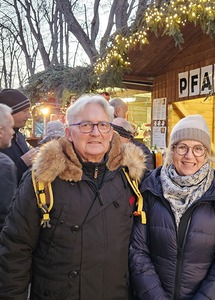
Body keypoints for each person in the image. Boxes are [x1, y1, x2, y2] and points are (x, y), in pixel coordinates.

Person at [0, 94, 146, 300]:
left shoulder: (129, 175)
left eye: (103, 125)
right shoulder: (42, 179)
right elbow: (15, 251)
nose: (96, 133)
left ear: (111, 131)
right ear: (68, 133)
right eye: (86, 125)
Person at [129, 114, 215, 299]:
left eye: (198, 148)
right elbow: (138, 251)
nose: (189, 156)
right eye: (182, 147)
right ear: (171, 150)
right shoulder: (150, 188)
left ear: (206, 153)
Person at [0, 89, 36, 182]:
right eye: (25, 111)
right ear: (10, 113)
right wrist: (23, 163)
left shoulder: (19, 136)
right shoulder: (2, 139)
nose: (29, 116)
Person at [0, 104, 17, 231]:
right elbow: (6, 214)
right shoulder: (4, 165)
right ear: (1, 131)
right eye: (11, 127)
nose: (13, 132)